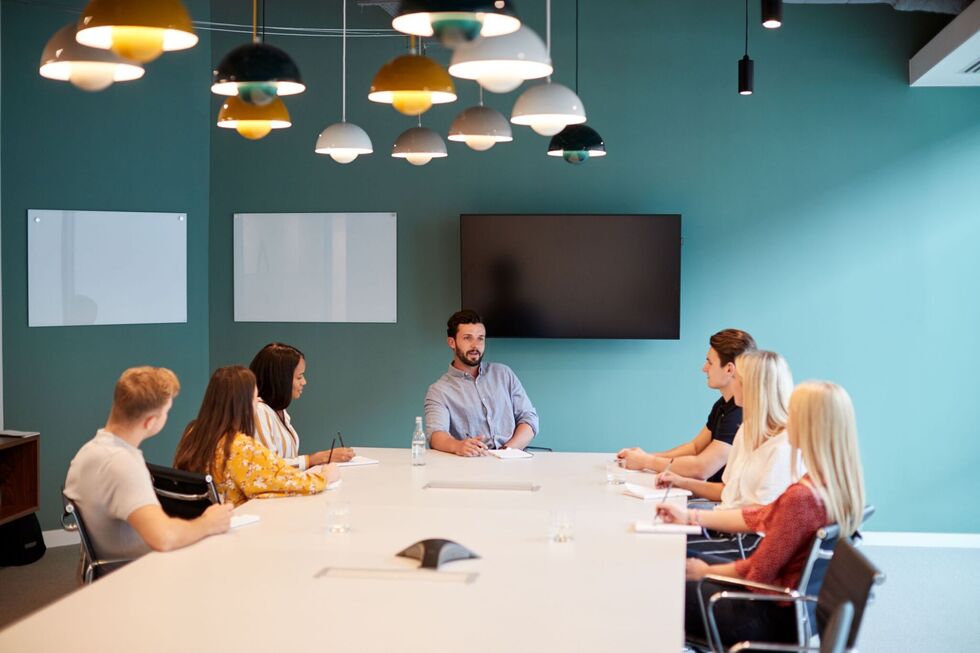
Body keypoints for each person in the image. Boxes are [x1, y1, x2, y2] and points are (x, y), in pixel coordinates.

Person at [656, 381, 866, 648]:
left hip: (765, 615)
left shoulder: (802, 499)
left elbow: (758, 572)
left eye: (794, 412)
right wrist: (691, 517)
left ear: (810, 425)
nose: (787, 419)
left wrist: (706, 571)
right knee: (674, 563)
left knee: (658, 581)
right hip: (791, 610)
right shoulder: (831, 486)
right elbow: (759, 515)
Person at [64, 367, 232, 564]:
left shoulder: (87, 452)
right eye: (166, 412)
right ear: (150, 421)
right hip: (138, 572)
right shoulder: (123, 465)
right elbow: (164, 538)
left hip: (113, 566)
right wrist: (208, 523)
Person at [658, 350, 799, 558]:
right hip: (726, 529)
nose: (733, 384)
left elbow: (758, 519)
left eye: (738, 380)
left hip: (751, 544)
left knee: (668, 555)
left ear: (754, 389)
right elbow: (727, 491)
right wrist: (680, 482)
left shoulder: (783, 447)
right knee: (659, 542)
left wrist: (692, 516)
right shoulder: (746, 429)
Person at [173, 366, 339, 506]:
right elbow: (286, 481)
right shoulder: (240, 447)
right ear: (244, 404)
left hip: (201, 522)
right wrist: (324, 476)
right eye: (254, 397)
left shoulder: (192, 432)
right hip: (234, 523)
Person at [617, 329, 756, 480]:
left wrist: (647, 461)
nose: (704, 368)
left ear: (729, 369)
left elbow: (701, 468)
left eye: (710, 362)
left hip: (718, 502)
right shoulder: (723, 404)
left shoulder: (740, 412)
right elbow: (695, 448)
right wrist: (645, 457)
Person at [424, 309, 539, 456]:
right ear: (452, 342)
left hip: (512, 460)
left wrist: (508, 450)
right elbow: (436, 435)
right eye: (467, 338)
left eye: (480, 338)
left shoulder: (504, 374)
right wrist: (458, 446)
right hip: (470, 465)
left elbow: (529, 418)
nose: (475, 345)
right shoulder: (439, 390)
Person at [249, 342, 354, 468]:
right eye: (299, 377)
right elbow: (267, 467)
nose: (304, 382)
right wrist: (319, 458)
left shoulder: (279, 411)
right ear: (280, 379)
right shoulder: (259, 411)